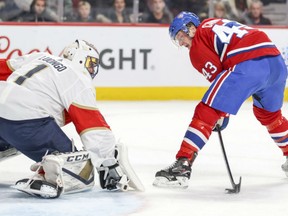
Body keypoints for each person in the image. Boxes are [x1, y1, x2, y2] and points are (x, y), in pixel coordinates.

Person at [153, 11, 288, 188]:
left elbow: (220, 84)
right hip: (276, 62)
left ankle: (182, 166)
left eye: (181, 35)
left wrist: (221, 114)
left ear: (191, 28)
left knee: (207, 109)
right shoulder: (212, 23)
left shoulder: (197, 46)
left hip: (248, 62)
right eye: (177, 39)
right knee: (269, 116)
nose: (181, 42)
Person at [0, 39, 144, 198]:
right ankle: (49, 176)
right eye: (91, 63)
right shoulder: (77, 75)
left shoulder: (40, 57)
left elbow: (3, 67)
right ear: (81, 58)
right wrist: (107, 162)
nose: (91, 68)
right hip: (26, 118)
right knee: (81, 170)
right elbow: (92, 125)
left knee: (10, 129)